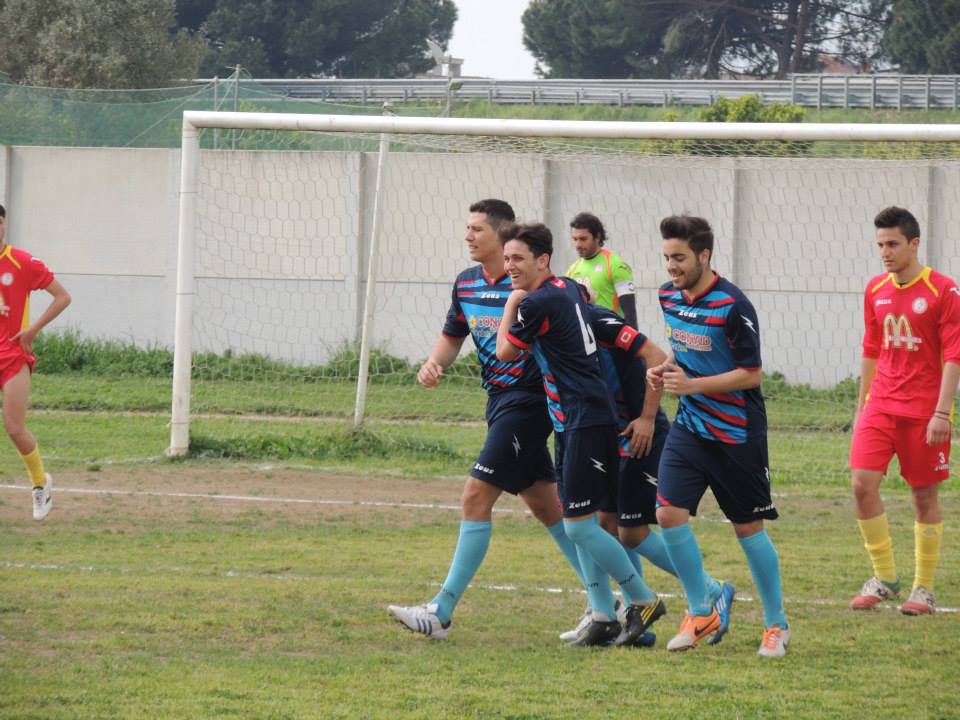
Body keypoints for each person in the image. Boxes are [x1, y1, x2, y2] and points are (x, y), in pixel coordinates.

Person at [387, 199, 585, 639]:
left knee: (476, 495)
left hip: (531, 402)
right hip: (499, 402)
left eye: (477, 229)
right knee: (549, 507)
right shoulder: (466, 283)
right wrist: (432, 365)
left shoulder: (536, 288)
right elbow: (452, 337)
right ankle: (611, 601)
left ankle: (440, 610)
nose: (468, 236)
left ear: (503, 234)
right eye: (468, 228)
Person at [496, 222, 666, 648]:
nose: (509, 266)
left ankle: (644, 599)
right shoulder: (567, 288)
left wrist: (512, 303)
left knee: (579, 528)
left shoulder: (536, 301)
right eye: (506, 259)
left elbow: (504, 352)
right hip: (572, 420)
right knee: (589, 522)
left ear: (542, 260)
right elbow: (580, 300)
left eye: (517, 258)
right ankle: (603, 616)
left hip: (584, 419)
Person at [647, 214, 789, 657]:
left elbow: (751, 374)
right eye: (667, 256)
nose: (671, 266)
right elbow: (685, 348)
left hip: (735, 432)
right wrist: (668, 368)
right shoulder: (669, 296)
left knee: (747, 529)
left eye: (680, 257)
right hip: (690, 427)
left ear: (704, 256)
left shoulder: (734, 305)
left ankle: (776, 626)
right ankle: (701, 610)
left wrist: (692, 386)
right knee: (668, 514)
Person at [557, 301, 736, 646]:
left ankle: (712, 589)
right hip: (605, 437)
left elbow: (658, 360)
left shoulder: (602, 323)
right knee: (605, 526)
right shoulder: (559, 329)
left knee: (631, 533)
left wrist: (648, 418)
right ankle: (633, 618)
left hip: (642, 436)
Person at [849, 206, 960, 616]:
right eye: (880, 244)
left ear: (914, 244)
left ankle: (923, 588)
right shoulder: (875, 288)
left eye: (892, 244)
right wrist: (862, 407)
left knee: (923, 496)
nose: (885, 252)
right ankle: (884, 578)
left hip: (924, 412)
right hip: (880, 405)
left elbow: (954, 355)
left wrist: (942, 413)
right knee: (862, 484)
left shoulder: (943, 292)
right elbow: (871, 348)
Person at [0, 203, 71, 520]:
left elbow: (62, 296)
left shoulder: (22, 261)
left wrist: (33, 328)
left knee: (14, 428)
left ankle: (40, 484)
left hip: (14, 355)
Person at [566, 212, 638, 328]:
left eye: (583, 239)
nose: (578, 244)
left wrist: (633, 344)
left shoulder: (615, 265)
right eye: (575, 239)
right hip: (584, 340)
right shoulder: (572, 270)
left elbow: (630, 313)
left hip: (611, 338)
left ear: (597, 237)